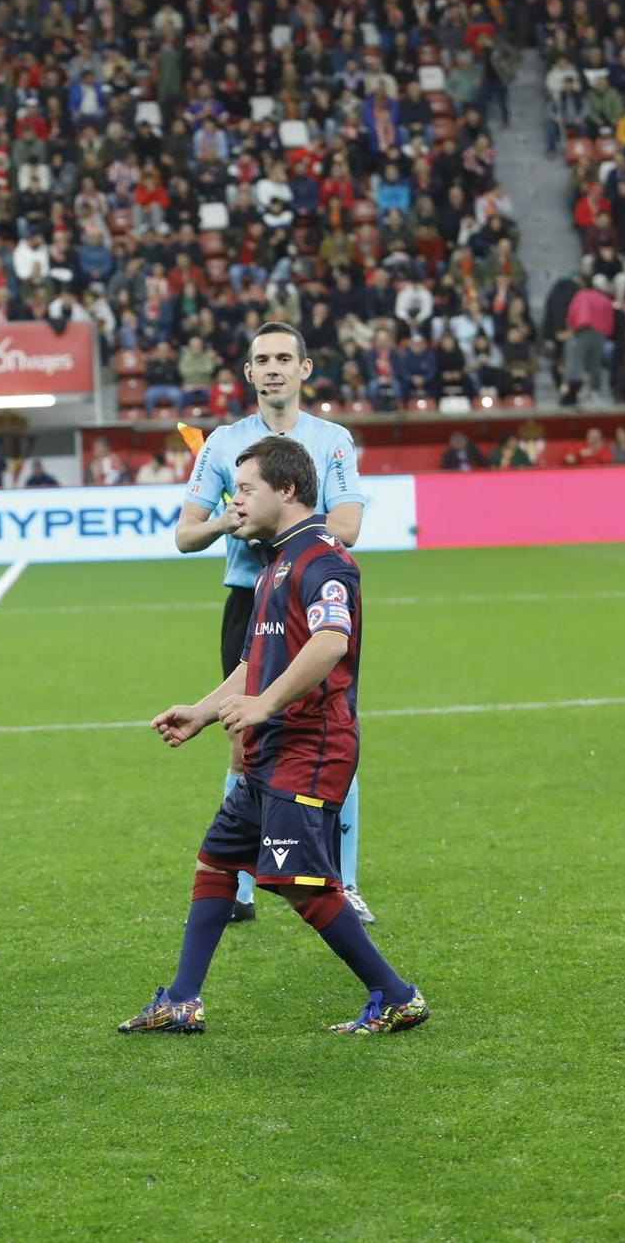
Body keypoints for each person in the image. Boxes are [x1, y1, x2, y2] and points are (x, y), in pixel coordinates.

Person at [119, 435, 429, 1036]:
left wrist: (264, 705)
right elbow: (255, 662)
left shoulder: (322, 559)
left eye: (248, 489)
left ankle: (396, 996)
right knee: (216, 865)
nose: (237, 501)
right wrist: (204, 711)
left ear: (287, 491)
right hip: (271, 750)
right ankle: (182, 1000)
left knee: (300, 884)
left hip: (310, 748)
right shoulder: (273, 562)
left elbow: (330, 641)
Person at [176, 322, 374, 924]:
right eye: (262, 359)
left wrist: (278, 524)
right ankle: (237, 887)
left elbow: (347, 527)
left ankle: (343, 880)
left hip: (312, 595)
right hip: (249, 599)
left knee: (330, 730)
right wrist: (224, 522)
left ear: (305, 369)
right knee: (243, 739)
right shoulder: (221, 444)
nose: (274, 369)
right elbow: (187, 533)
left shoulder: (332, 440)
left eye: (285, 358)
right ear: (249, 373)